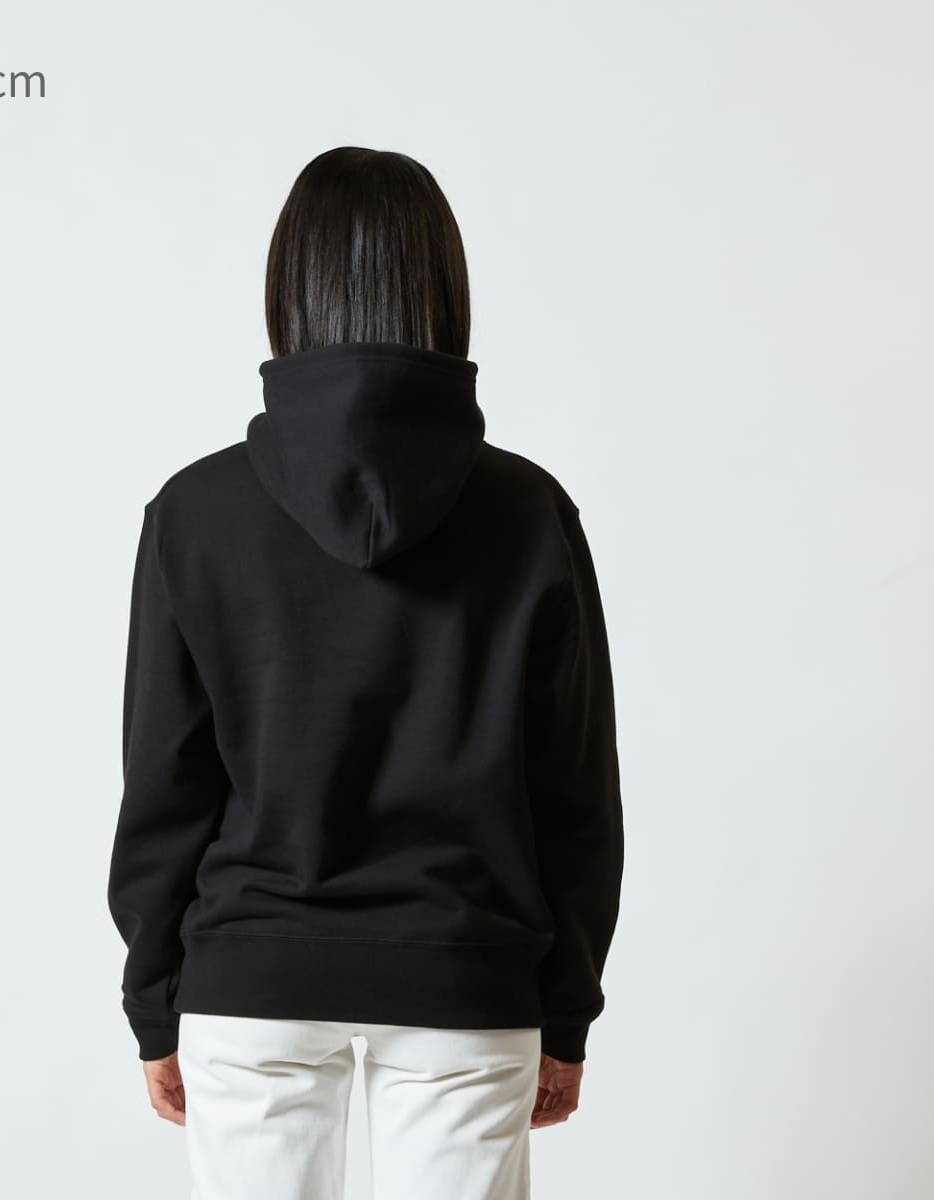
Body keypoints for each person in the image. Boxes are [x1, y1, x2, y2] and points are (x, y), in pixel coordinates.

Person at [106, 145, 625, 1200]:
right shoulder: (530, 513)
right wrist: (565, 1009)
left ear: (287, 291)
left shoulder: (196, 512)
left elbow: (165, 782)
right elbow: (575, 792)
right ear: (445, 291)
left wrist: (156, 1000)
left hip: (251, 977)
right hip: (465, 978)